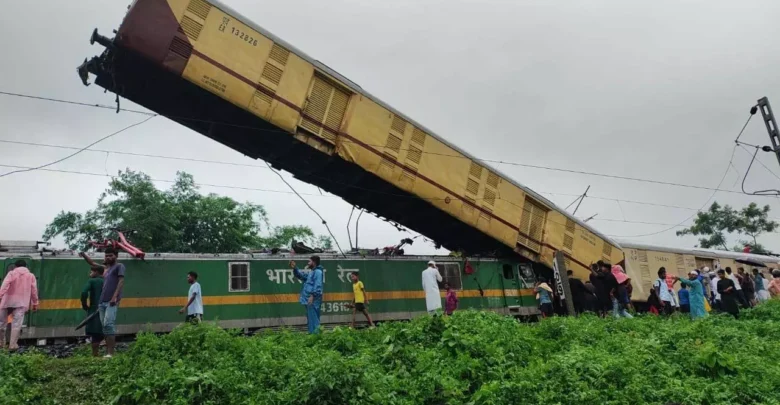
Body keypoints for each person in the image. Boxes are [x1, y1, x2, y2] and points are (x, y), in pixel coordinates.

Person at [0, 260, 39, 351]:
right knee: (16, 325)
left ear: (16, 266)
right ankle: (12, 345)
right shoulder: (31, 276)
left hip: (7, 302)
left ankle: (1, 343)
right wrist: (35, 303)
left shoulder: (11, 273)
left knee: (2, 323)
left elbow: (5, 285)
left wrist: (0, 295)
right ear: (26, 266)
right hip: (21, 303)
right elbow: (34, 291)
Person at [99, 247, 125, 358]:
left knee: (108, 325)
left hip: (111, 301)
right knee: (104, 327)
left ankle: (111, 353)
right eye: (106, 255)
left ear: (116, 256)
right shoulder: (107, 269)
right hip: (102, 301)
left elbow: (121, 281)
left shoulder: (120, 266)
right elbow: (92, 263)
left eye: (110, 255)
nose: (108, 257)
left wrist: (114, 297)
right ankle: (107, 352)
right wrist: (84, 255)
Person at [290, 256, 324, 334]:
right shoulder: (312, 272)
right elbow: (301, 276)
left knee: (314, 319)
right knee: (311, 319)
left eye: (309, 261)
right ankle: (313, 336)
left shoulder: (318, 272)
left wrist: (312, 296)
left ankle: (316, 338)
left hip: (313, 299)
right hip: (309, 300)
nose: (308, 263)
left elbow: (318, 285)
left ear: (314, 262)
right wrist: (295, 267)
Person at [79, 254, 105, 357]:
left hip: (94, 309)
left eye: (92, 271)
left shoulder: (92, 281)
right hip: (105, 309)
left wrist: (85, 305)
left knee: (94, 333)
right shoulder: (106, 281)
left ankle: (95, 355)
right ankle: (108, 354)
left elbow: (84, 293)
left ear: (97, 272)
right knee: (104, 331)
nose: (90, 273)